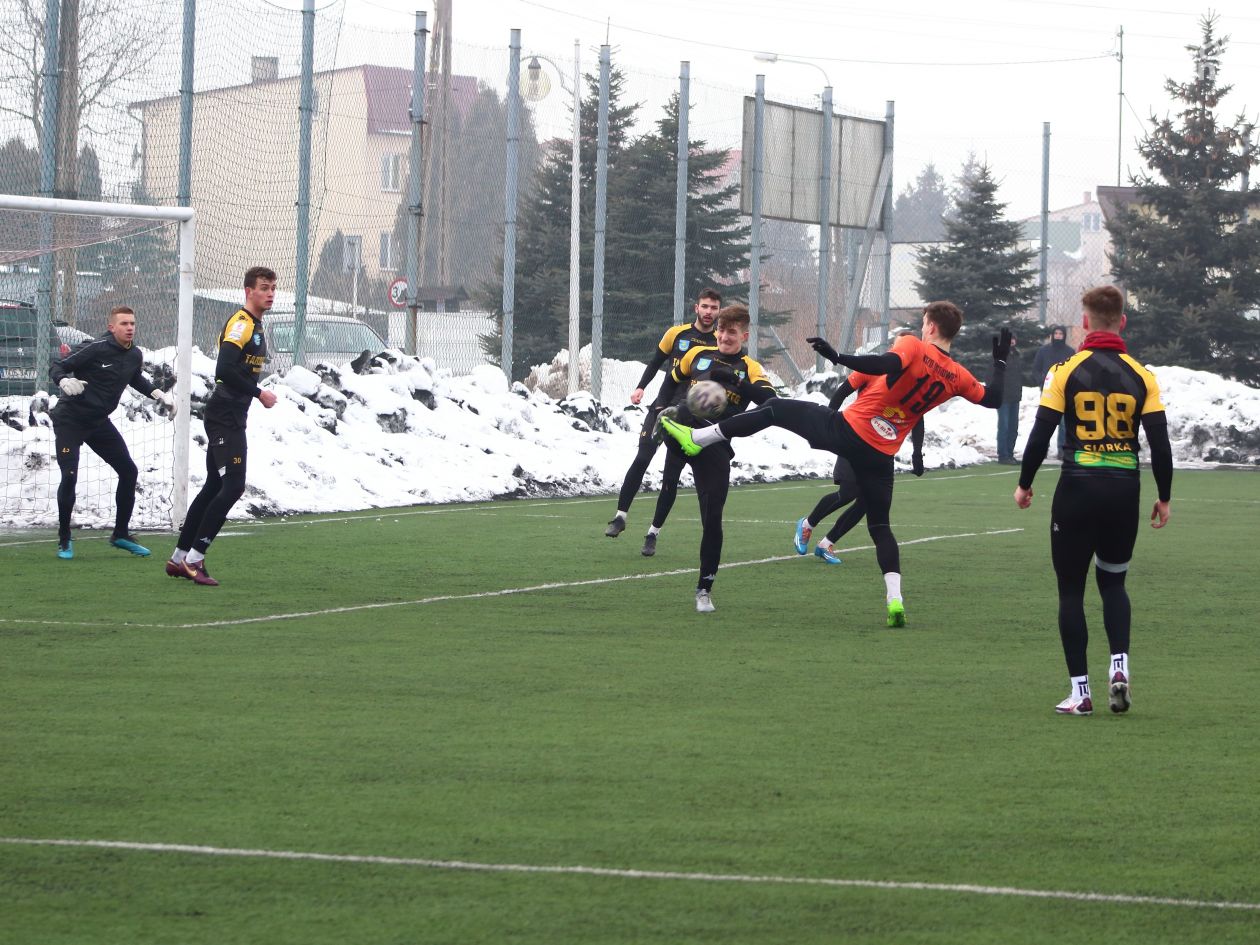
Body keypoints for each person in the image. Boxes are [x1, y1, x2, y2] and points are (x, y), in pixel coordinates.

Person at [661, 301, 1009, 627]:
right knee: (880, 527)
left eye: (923, 323)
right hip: (881, 454)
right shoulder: (957, 375)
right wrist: (1000, 364)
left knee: (776, 409)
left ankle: (698, 438)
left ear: (930, 326)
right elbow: (993, 398)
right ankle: (895, 600)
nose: (921, 328)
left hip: (849, 432)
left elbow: (885, 364)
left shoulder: (913, 346)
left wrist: (838, 356)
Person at [1014, 286, 1172, 716]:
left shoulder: (1064, 371)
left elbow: (1040, 434)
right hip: (1123, 490)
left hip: (1077, 489)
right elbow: (1160, 444)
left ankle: (1080, 693)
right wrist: (1164, 496)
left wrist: (1025, 483)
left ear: (1084, 322)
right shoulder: (1143, 375)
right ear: (1123, 321)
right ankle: (1119, 665)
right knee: (1114, 583)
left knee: (1071, 591)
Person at [651, 303, 776, 612]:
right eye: (720, 330)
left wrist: (736, 382)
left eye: (731, 332)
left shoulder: (750, 368)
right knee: (678, 424)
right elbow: (671, 379)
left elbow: (771, 401)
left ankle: (704, 589)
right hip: (685, 427)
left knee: (712, 519)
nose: (723, 336)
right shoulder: (697, 354)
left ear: (744, 335)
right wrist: (661, 405)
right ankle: (671, 425)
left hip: (715, 444)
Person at [166, 266, 279, 585]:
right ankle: (195, 559)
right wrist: (258, 392)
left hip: (230, 413)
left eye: (272, 287)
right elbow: (224, 369)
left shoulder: (255, 325)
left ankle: (178, 558)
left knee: (215, 486)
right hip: (225, 415)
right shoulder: (242, 324)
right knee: (233, 486)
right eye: (264, 287)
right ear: (248, 291)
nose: (270, 293)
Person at [48, 305, 175, 559]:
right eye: (124, 324)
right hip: (70, 420)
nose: (129, 328)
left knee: (128, 471)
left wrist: (158, 394)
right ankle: (64, 539)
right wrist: (64, 380)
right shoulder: (96, 348)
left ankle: (120, 535)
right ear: (111, 327)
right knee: (69, 475)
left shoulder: (134, 354)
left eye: (132, 324)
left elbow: (135, 378)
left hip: (98, 423)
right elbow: (57, 366)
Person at [604, 287, 720, 554]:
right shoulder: (676, 334)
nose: (708, 312)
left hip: (690, 416)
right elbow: (656, 361)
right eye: (705, 306)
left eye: (713, 308)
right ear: (696, 308)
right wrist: (640, 387)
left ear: (718, 312)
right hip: (661, 406)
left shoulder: (719, 342)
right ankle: (620, 517)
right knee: (642, 457)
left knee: (671, 476)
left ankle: (652, 534)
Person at [793, 373, 925, 565]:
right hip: (854, 438)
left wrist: (917, 454)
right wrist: (826, 427)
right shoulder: (873, 371)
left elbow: (918, 419)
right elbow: (841, 392)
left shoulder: (915, 385)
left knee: (866, 502)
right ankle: (807, 524)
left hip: (880, 450)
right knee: (848, 492)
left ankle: (826, 544)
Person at [1031, 324, 1076, 458]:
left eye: (1060, 334)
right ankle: (1042, 448)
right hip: (1048, 392)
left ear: (1064, 336)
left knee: (1063, 423)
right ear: (1052, 335)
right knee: (1046, 421)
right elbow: (1036, 369)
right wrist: (1042, 381)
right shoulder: (1043, 351)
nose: (1058, 336)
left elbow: (1074, 370)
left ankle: (1062, 450)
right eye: (1055, 334)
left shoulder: (1070, 352)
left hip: (1064, 391)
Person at [995, 332, 1023, 463]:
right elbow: (991, 375)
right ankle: (1003, 455)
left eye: (1013, 339)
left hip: (1015, 397)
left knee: (1013, 427)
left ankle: (1010, 453)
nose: (1011, 341)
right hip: (1003, 397)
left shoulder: (1016, 355)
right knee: (1004, 426)